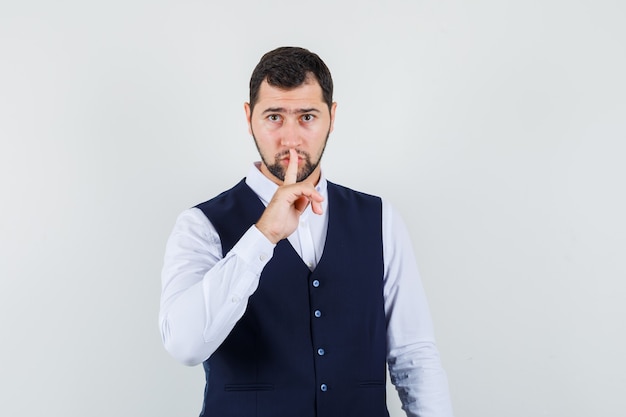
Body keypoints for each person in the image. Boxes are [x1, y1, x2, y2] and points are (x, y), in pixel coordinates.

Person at [159, 46, 454, 417]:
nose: (291, 139)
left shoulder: (381, 219)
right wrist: (263, 235)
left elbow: (415, 356)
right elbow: (184, 345)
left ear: (332, 117)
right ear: (249, 117)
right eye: (274, 117)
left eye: (307, 117)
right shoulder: (200, 225)